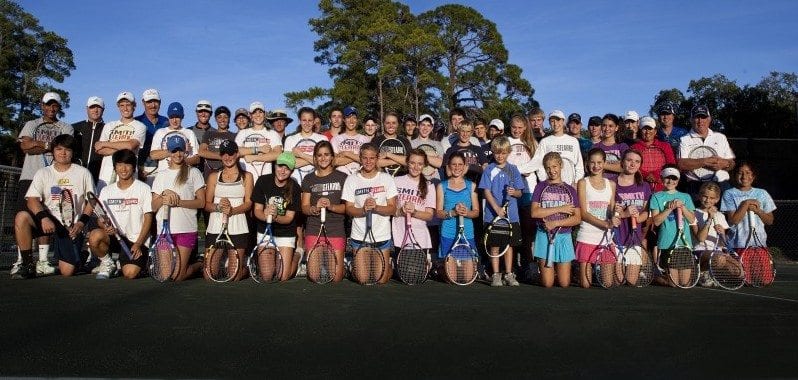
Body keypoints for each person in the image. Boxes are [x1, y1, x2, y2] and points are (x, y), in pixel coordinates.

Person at [12, 134, 94, 279]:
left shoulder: (83, 172)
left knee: (67, 272)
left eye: (67, 149)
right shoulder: (43, 172)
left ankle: (80, 257)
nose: (63, 153)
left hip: (70, 225)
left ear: (72, 152)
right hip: (48, 220)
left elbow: (92, 201)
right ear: (53, 152)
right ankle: (27, 265)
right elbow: (32, 200)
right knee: (21, 217)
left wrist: (81, 223)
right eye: (59, 149)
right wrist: (43, 218)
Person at [13, 92, 74, 277]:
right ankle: (22, 260)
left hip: (53, 178)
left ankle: (43, 260)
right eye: (48, 105)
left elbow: (63, 148)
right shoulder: (31, 124)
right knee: (23, 217)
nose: (51, 108)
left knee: (45, 216)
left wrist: (37, 144)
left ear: (58, 107)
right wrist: (51, 145)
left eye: (55, 105)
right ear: (42, 105)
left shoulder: (65, 126)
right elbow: (25, 147)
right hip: (29, 177)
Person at [88, 149, 153, 280]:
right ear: (114, 168)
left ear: (133, 167)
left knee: (130, 273)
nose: (123, 169)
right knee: (95, 235)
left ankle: (129, 263)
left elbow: (148, 218)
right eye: (119, 164)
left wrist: (139, 243)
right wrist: (105, 226)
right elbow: (101, 219)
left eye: (127, 164)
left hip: (136, 240)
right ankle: (108, 263)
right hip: (114, 237)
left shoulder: (144, 188)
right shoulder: (106, 191)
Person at [151, 135, 206, 281]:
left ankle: (200, 264)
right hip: (164, 231)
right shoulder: (161, 176)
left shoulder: (194, 172)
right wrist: (163, 197)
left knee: (177, 276)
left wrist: (178, 202)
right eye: (174, 151)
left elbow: (201, 203)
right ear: (169, 152)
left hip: (186, 229)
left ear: (185, 151)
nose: (178, 154)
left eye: (180, 150)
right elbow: (153, 206)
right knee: (165, 275)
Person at [342, 143, 398, 284]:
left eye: (372, 158)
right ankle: (352, 266)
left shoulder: (386, 179)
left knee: (381, 280)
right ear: (360, 158)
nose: (368, 161)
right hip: (360, 236)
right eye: (365, 158)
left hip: (381, 236)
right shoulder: (351, 179)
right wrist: (363, 210)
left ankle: (388, 266)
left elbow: (392, 209)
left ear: (377, 158)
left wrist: (376, 207)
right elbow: (348, 209)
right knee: (363, 279)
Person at [203, 140, 253, 282]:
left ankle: (246, 268)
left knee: (234, 276)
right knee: (208, 275)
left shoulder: (247, 176)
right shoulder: (213, 176)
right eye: (224, 153)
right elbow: (206, 204)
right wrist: (218, 207)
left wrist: (233, 210)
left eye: (231, 153)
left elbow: (249, 203)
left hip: (238, 226)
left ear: (237, 154)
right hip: (215, 226)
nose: (227, 157)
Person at [530, 152, 581, 288]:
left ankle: (556, 271)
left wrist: (555, 223)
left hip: (564, 236)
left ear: (561, 165)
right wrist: (560, 208)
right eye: (548, 168)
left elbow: (577, 218)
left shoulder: (570, 190)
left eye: (554, 166)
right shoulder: (540, 187)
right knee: (548, 284)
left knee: (564, 284)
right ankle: (540, 274)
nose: (552, 171)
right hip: (543, 235)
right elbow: (535, 212)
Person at [478, 137, 524, 286]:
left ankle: (509, 274)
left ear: (508, 152)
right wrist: (497, 208)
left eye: (503, 153)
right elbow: (486, 191)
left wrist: (514, 192)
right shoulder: (489, 169)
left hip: (511, 216)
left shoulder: (514, 170)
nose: (500, 156)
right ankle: (496, 274)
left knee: (509, 245)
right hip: (492, 215)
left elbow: (519, 193)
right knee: (495, 245)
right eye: (497, 153)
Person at [301, 141, 348, 282]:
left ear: (332, 157)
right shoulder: (309, 179)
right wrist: (314, 208)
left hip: (335, 228)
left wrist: (331, 206)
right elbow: (304, 207)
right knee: (314, 277)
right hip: (314, 228)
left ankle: (345, 267)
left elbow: (347, 208)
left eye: (327, 154)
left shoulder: (343, 178)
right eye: (319, 155)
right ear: (315, 158)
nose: (323, 158)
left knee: (335, 278)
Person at [252, 152, 302, 281]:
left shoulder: (295, 188)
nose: (283, 170)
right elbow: (257, 210)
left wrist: (275, 217)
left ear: (291, 171)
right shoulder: (263, 181)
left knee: (283, 276)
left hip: (286, 232)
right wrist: (266, 215)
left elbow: (289, 218)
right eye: (280, 166)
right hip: (265, 231)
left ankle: (298, 254)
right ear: (275, 166)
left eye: (287, 168)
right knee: (268, 276)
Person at [575, 148, 619, 288]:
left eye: (599, 162)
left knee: (607, 283)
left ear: (604, 163)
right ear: (587, 164)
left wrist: (615, 215)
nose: (596, 166)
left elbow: (611, 211)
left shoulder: (611, 184)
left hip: (606, 239)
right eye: (592, 162)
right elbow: (583, 213)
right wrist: (605, 224)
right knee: (585, 285)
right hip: (586, 236)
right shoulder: (583, 183)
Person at [649, 165, 696, 285]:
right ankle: (656, 278)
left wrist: (682, 207)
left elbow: (692, 220)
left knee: (685, 283)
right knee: (673, 284)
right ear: (661, 178)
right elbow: (656, 221)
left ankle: (659, 275)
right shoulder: (656, 197)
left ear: (678, 180)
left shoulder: (686, 197)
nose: (670, 181)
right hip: (666, 243)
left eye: (674, 178)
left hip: (684, 244)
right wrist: (669, 208)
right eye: (667, 178)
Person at [392, 149, 436, 274]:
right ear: (407, 163)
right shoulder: (396, 181)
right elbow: (391, 210)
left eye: (420, 164)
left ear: (424, 165)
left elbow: (429, 216)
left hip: (420, 239)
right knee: (403, 276)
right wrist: (401, 211)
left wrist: (414, 212)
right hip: (399, 237)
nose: (416, 167)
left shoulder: (429, 186)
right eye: (412, 163)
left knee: (415, 277)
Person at [677, 105, 736, 197]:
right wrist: (705, 161)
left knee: (726, 211)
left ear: (709, 119)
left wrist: (725, 164)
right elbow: (682, 164)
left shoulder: (721, 137)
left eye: (703, 117)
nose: (700, 121)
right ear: (691, 120)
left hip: (721, 184)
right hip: (695, 186)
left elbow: (732, 163)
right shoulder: (684, 139)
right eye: (697, 117)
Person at [95, 91, 147, 191]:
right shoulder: (109, 126)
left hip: (128, 175)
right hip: (106, 175)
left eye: (128, 105)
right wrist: (124, 149)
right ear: (118, 106)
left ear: (134, 105)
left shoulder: (140, 126)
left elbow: (131, 146)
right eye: (122, 105)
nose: (125, 108)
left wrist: (105, 144)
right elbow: (99, 150)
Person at [613, 149, 651, 286]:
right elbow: (608, 212)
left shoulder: (644, 186)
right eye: (629, 160)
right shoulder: (612, 184)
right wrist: (624, 214)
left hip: (634, 239)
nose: (633, 164)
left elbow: (646, 213)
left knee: (631, 282)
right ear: (622, 162)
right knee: (617, 282)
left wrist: (638, 217)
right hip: (616, 239)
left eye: (637, 161)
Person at [720, 161, 775, 252]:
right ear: (735, 175)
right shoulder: (729, 194)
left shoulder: (762, 193)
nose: (744, 176)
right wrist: (745, 203)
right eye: (740, 173)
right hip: (736, 245)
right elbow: (733, 221)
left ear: (753, 176)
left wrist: (758, 211)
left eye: (748, 173)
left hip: (759, 244)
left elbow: (770, 221)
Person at [436, 152, 480, 264]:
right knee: (452, 278)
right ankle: (439, 268)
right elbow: (438, 213)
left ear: (465, 166)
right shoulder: (441, 186)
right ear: (449, 166)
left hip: (467, 233)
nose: (457, 167)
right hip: (448, 233)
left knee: (467, 278)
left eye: (460, 164)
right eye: (454, 164)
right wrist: (453, 213)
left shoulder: (472, 186)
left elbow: (476, 212)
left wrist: (466, 213)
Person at [149, 102, 201, 184]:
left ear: (182, 117)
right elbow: (153, 155)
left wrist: (181, 162)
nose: (174, 120)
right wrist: (174, 151)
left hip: (185, 178)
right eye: (171, 117)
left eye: (177, 117)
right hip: (164, 178)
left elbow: (197, 159)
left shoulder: (189, 133)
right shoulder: (160, 132)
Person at [530, 110, 584, 186]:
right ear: (549, 123)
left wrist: (576, 182)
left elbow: (579, 165)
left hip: (570, 185)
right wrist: (545, 181)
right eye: (552, 121)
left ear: (563, 121)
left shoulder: (573, 141)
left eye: (558, 120)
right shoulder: (545, 141)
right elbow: (539, 164)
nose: (555, 124)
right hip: (551, 185)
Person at [692, 181, 729, 287]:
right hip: (699, 252)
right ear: (699, 196)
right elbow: (700, 239)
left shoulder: (720, 216)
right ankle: (701, 273)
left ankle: (711, 274)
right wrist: (709, 218)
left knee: (738, 273)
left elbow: (724, 243)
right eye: (705, 196)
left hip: (717, 252)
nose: (707, 200)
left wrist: (722, 233)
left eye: (712, 198)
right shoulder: (694, 213)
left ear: (717, 199)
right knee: (719, 258)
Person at [235, 101, 283, 179]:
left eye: (260, 112)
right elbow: (236, 151)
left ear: (264, 114)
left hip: (265, 179)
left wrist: (253, 157)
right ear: (250, 116)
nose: (258, 115)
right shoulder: (242, 133)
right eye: (254, 112)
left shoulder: (272, 133)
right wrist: (259, 149)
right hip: (245, 178)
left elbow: (278, 154)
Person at [630, 116, 676, 192]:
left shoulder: (665, 146)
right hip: (641, 187)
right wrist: (645, 175)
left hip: (663, 187)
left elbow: (671, 164)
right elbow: (632, 166)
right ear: (640, 131)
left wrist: (656, 174)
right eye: (644, 129)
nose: (647, 132)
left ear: (655, 131)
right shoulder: (633, 148)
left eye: (650, 128)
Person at [284, 107, 328, 186]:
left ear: (314, 121)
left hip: (318, 184)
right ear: (299, 121)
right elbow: (288, 164)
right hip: (295, 184)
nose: (307, 123)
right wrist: (316, 160)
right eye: (304, 120)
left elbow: (326, 162)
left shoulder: (322, 139)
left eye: (310, 120)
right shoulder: (290, 139)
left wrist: (301, 155)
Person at [135, 89, 169, 182]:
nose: (153, 105)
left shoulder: (166, 121)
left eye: (156, 101)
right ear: (143, 102)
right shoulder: (136, 121)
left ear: (160, 102)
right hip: (141, 169)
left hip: (163, 168)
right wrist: (139, 169)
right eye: (149, 102)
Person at [72, 96, 105, 183]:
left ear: (103, 110)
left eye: (98, 107)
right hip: (76, 176)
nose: (95, 110)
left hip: (99, 178)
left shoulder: (108, 129)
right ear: (87, 109)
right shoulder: (75, 128)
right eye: (92, 107)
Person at [331, 106, 370, 175]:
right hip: (341, 178)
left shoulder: (365, 140)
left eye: (354, 118)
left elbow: (368, 160)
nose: (351, 121)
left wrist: (347, 154)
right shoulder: (336, 139)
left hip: (360, 178)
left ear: (357, 120)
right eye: (348, 117)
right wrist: (358, 157)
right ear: (344, 120)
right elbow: (335, 161)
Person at [198, 106, 236, 176]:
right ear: (215, 119)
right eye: (219, 117)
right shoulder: (208, 134)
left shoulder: (234, 136)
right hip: (209, 173)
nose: (222, 120)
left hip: (227, 173)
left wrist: (212, 154)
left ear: (229, 119)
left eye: (225, 117)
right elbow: (201, 152)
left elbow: (236, 154)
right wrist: (222, 156)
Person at [373, 112, 411, 177]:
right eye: (388, 123)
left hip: (401, 179)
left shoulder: (405, 141)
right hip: (381, 179)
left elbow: (409, 161)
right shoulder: (376, 140)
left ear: (398, 124)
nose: (391, 126)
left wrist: (388, 154)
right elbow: (374, 162)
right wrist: (398, 160)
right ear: (383, 124)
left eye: (394, 123)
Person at [593, 113, 629, 181]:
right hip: (600, 185)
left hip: (619, 186)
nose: (607, 129)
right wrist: (616, 166)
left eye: (610, 126)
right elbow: (591, 167)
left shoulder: (622, 146)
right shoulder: (595, 147)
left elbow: (625, 167)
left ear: (616, 128)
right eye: (604, 125)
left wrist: (602, 165)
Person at [189, 100, 215, 166]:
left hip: (212, 171)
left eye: (206, 111)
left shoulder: (216, 132)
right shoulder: (188, 131)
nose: (203, 114)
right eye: (200, 111)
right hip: (192, 171)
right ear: (196, 113)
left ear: (211, 113)